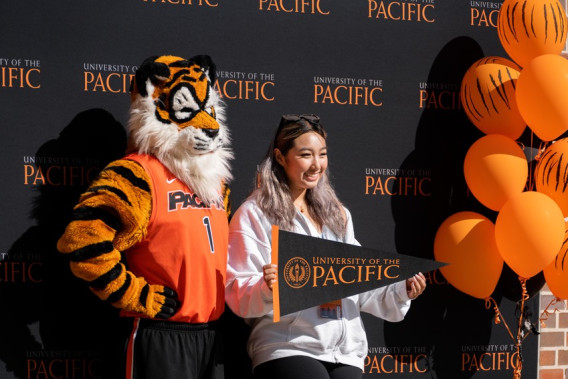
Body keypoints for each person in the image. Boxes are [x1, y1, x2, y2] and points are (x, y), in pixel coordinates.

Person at [225, 114, 427, 379]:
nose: (316, 165)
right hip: (288, 345)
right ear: (281, 156)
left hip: (346, 351)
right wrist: (267, 288)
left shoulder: (337, 215)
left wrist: (401, 289)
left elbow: (359, 281)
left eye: (322, 154)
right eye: (306, 155)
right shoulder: (255, 213)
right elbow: (237, 291)